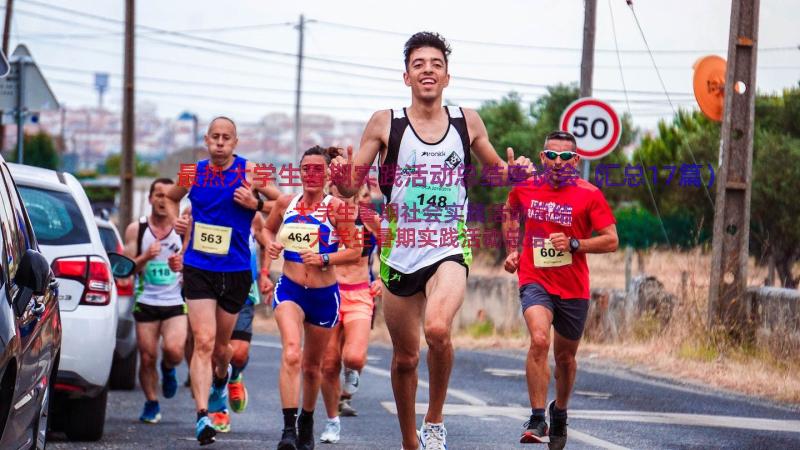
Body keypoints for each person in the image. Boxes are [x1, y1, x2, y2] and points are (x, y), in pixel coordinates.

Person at [330, 32, 533, 450]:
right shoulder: (385, 122)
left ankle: (435, 420)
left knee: (438, 329)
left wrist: (514, 172)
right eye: (418, 64)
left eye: (435, 64)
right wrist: (342, 179)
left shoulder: (467, 121)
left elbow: (494, 172)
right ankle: (410, 441)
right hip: (399, 253)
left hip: (449, 246)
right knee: (406, 358)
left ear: (447, 76)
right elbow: (352, 186)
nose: (427, 70)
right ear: (406, 76)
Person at [166, 116, 280, 445]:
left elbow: (284, 204)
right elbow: (172, 198)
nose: (219, 142)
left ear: (235, 142)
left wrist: (256, 203)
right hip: (198, 266)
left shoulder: (250, 171)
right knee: (202, 340)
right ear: (206, 140)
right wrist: (178, 225)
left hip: (235, 270)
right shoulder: (191, 172)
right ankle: (202, 416)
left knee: (221, 349)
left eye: (225, 137)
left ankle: (221, 380)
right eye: (214, 137)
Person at [503, 131, 618, 448]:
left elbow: (611, 240)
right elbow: (510, 212)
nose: (557, 162)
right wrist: (512, 249)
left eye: (565, 157)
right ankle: (538, 417)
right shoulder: (526, 188)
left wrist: (575, 244)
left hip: (573, 287)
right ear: (542, 158)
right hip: (534, 279)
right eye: (551, 155)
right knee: (539, 339)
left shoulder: (589, 194)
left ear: (576, 161)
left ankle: (560, 412)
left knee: (565, 359)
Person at [261, 146, 361, 450]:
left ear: (328, 173)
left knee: (312, 366)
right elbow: (266, 231)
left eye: (319, 169)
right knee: (292, 352)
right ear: (300, 172)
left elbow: (355, 250)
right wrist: (271, 246)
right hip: (290, 289)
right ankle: (288, 429)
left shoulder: (338, 209)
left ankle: (307, 420)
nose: (312, 175)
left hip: (323, 295)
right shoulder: (284, 203)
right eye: (307, 169)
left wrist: (325, 258)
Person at [319, 183, 382, 444]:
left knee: (354, 357)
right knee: (330, 363)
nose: (339, 192)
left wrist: (384, 279)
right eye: (334, 188)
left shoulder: (368, 218)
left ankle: (352, 372)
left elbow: (392, 246)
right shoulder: (322, 215)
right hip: (328, 292)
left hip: (359, 294)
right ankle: (332, 422)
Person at [124, 178, 187, 424]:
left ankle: (169, 368)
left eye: (167, 195)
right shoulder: (136, 229)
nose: (162, 200)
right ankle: (151, 402)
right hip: (146, 300)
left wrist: (182, 264)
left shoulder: (183, 228)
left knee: (174, 350)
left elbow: (195, 263)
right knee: (147, 355)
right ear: (150, 199)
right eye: (158, 195)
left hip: (174, 302)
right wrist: (145, 257)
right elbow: (128, 268)